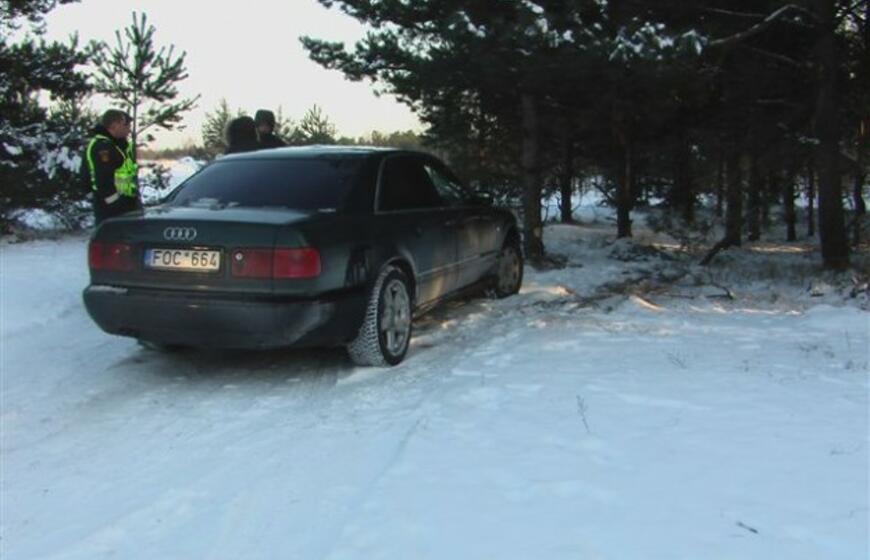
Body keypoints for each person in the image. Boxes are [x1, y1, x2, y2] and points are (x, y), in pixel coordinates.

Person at [84, 109, 141, 226]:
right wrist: (115, 202)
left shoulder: (120, 145)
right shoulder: (103, 147)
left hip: (126, 204)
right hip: (111, 209)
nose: (129, 130)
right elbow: (103, 178)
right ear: (114, 125)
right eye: (125, 125)